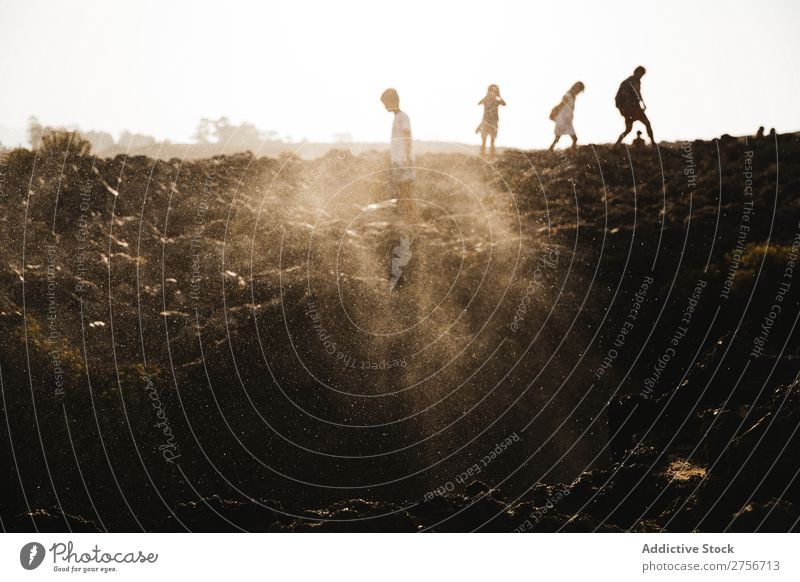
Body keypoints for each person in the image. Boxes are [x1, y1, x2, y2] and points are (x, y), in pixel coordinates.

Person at [381, 88, 418, 223]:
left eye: (386, 103)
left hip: (404, 161)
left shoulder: (403, 117)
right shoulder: (397, 118)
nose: (385, 107)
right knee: (401, 193)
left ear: (392, 101)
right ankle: (408, 221)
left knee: (407, 192)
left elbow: (407, 137)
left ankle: (412, 222)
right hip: (398, 161)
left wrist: (407, 158)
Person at [615, 66, 655, 146]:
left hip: (627, 110)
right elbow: (637, 92)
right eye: (642, 74)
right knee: (647, 123)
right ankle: (653, 144)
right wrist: (642, 103)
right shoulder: (634, 80)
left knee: (628, 129)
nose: (642, 76)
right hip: (633, 109)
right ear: (638, 72)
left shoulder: (626, 81)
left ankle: (616, 144)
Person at [548, 81, 585, 150]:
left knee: (559, 137)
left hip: (567, 120)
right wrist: (553, 114)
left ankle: (551, 149)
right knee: (573, 138)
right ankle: (573, 150)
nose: (579, 92)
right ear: (575, 88)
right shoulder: (567, 96)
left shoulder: (573, 97)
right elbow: (560, 105)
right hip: (562, 120)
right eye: (579, 90)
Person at [476, 84, 506, 160]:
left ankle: (490, 156)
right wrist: (488, 97)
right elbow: (479, 103)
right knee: (484, 140)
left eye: (494, 91)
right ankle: (483, 156)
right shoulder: (487, 99)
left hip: (492, 121)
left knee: (492, 140)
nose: (493, 92)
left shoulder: (496, 100)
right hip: (486, 121)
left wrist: (498, 96)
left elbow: (504, 104)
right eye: (491, 90)